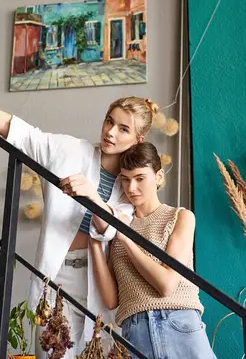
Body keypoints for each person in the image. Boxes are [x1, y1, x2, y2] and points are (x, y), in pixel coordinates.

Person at [0, 76, 158, 358]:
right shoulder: (70, 150)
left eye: (123, 129)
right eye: (108, 121)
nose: (110, 132)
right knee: (50, 353)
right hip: (57, 275)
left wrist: (91, 194)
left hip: (99, 282)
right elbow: (17, 131)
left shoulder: (130, 187)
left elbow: (108, 229)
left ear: (138, 139)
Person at [90, 142, 216, 359]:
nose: (131, 188)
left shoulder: (179, 217)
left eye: (140, 178)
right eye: (125, 179)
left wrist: (125, 236)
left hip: (179, 323)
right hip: (135, 331)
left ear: (158, 177)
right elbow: (111, 300)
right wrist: (94, 238)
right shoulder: (119, 226)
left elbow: (167, 285)